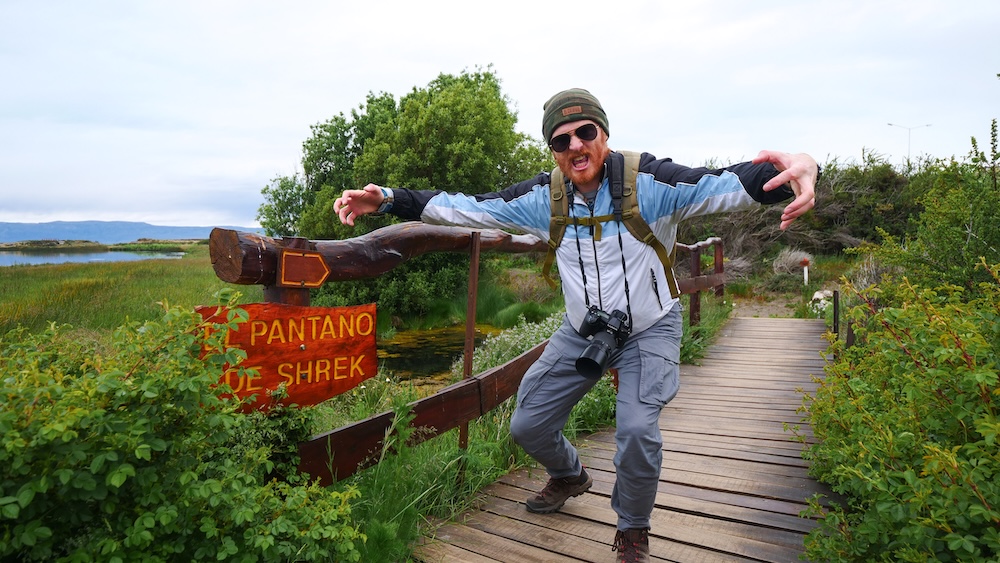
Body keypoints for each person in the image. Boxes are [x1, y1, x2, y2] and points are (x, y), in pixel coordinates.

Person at [333, 88, 818, 562]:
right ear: (553, 150)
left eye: (584, 132)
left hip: (651, 325)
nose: (575, 146)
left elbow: (722, 184)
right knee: (527, 424)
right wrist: (390, 199)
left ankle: (631, 530)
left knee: (635, 430)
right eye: (561, 140)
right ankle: (569, 474)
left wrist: (798, 165)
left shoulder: (649, 182)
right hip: (584, 329)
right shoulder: (541, 198)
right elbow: (468, 206)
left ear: (603, 133)